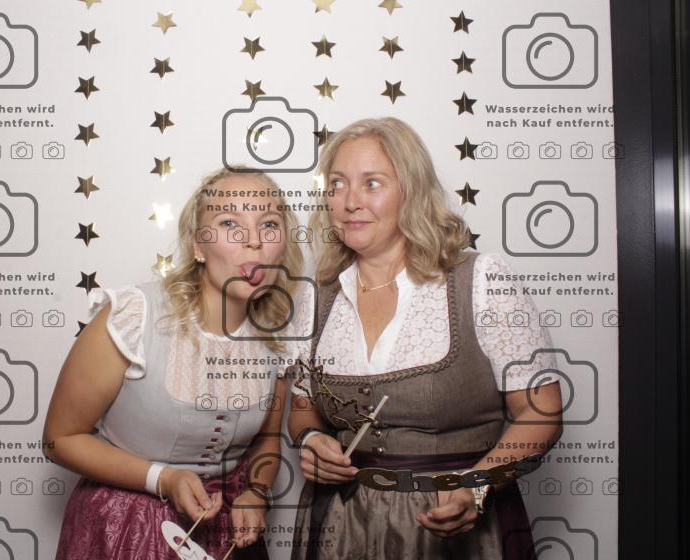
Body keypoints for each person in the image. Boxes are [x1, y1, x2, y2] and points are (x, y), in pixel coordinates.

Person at [286, 117, 564, 559]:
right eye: (337, 184)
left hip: (455, 530)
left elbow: (540, 413)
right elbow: (303, 411)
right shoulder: (317, 298)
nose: (350, 202)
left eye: (372, 183)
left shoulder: (481, 281)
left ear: (411, 189)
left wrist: (477, 485)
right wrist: (311, 441)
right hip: (341, 531)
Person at [45, 166, 304, 559]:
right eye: (229, 222)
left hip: (227, 534)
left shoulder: (278, 340)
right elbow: (59, 440)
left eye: (269, 225)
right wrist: (162, 478)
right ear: (198, 246)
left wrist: (256, 491)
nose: (253, 240)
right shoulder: (133, 316)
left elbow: (267, 440)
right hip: (123, 527)